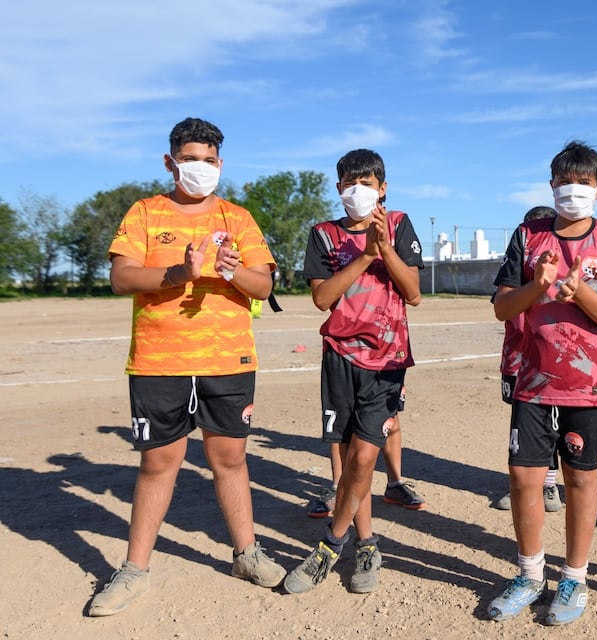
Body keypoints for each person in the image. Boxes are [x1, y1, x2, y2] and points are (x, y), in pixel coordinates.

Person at [89, 117, 285, 617]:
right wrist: (179, 272)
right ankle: (134, 570)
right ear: (170, 161)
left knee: (231, 461)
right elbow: (121, 277)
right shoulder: (146, 212)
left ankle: (246, 554)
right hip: (159, 361)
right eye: (192, 159)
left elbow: (263, 286)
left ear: (222, 164)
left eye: (210, 160)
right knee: (158, 464)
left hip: (228, 359)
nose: (201, 168)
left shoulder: (237, 217)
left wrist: (232, 270)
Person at [488, 141, 597, 626]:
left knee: (580, 479)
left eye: (583, 183)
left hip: (588, 385)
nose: (573, 191)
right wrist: (537, 285)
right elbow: (503, 307)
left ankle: (574, 576)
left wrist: (579, 291)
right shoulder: (527, 235)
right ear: (551, 185)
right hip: (532, 379)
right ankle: (530, 575)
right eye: (564, 182)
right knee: (525, 479)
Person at [285, 148, 423, 596]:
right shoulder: (324, 235)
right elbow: (323, 298)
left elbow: (414, 293)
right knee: (346, 458)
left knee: (366, 457)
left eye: (365, 183)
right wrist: (364, 256)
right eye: (348, 183)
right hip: (339, 357)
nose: (356, 191)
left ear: (383, 188)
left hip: (386, 360)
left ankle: (330, 544)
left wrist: (383, 246)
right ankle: (366, 543)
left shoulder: (399, 224)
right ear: (338, 187)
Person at [494, 205, 562, 514]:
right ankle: (519, 484)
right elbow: (500, 304)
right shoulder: (514, 271)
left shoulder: (559, 275)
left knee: (552, 424)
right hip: (516, 359)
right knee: (520, 425)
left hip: (549, 362)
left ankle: (548, 484)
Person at [307, 392, 426, 518]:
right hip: (346, 372)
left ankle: (395, 485)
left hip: (384, 373)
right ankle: (338, 489)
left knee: (390, 413)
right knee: (340, 415)